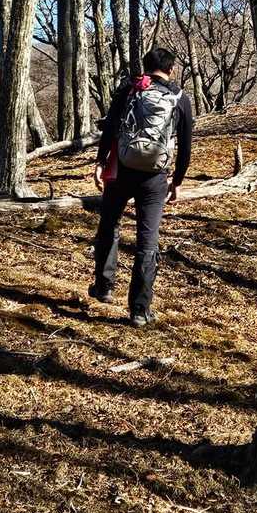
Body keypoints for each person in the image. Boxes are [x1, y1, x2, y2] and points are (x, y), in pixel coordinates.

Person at [89, 45, 194, 328]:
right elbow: (185, 147)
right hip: (155, 178)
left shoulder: (129, 89)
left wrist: (101, 161)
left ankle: (104, 287)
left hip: (122, 169)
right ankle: (139, 310)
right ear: (171, 69)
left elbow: (111, 127)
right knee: (147, 240)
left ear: (145, 66)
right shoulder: (180, 98)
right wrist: (177, 181)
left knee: (109, 224)